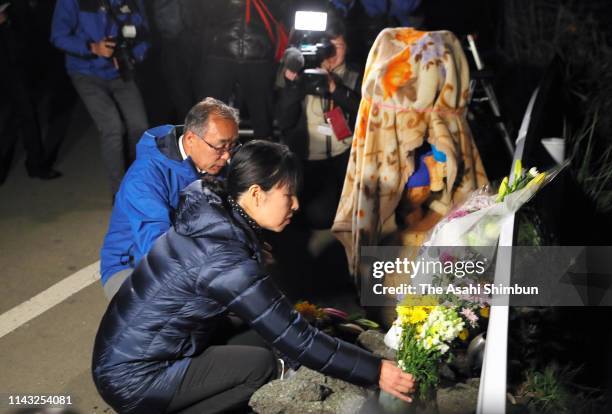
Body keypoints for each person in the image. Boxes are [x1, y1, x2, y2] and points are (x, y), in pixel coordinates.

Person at [92, 140, 415, 414]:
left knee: (259, 335)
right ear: (257, 194)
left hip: (125, 357)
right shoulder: (224, 258)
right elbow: (296, 338)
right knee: (259, 365)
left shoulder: (212, 208)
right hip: (135, 379)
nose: (296, 205)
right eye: (288, 195)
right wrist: (376, 370)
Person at [99, 97, 240, 300]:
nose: (227, 157)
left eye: (232, 146)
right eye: (220, 147)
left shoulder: (213, 161)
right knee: (181, 310)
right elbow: (157, 253)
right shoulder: (144, 177)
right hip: (132, 266)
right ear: (191, 139)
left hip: (191, 254)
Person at [51, 0, 150, 196]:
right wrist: (92, 47)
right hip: (85, 72)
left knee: (140, 126)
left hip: (121, 71)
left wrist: (132, 55)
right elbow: (58, 35)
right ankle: (119, 193)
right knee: (112, 128)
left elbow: (144, 34)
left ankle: (137, 179)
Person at [277, 21, 361, 229]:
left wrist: (335, 88)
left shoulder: (354, 75)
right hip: (303, 155)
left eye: (338, 46)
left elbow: (364, 113)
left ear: (347, 47)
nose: (331, 52)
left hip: (339, 155)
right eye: (327, 45)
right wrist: (293, 86)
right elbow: (284, 120)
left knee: (324, 217)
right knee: (296, 215)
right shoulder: (301, 72)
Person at [195, 0, 291, 140]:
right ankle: (207, 151)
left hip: (259, 53)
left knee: (262, 116)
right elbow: (204, 11)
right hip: (220, 50)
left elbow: (282, 10)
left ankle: (263, 156)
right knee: (210, 111)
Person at [0, 1, 62, 184]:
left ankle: (37, 165)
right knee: (14, 117)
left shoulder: (16, 8)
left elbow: (25, 36)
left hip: (14, 67)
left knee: (27, 114)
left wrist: (6, 24)